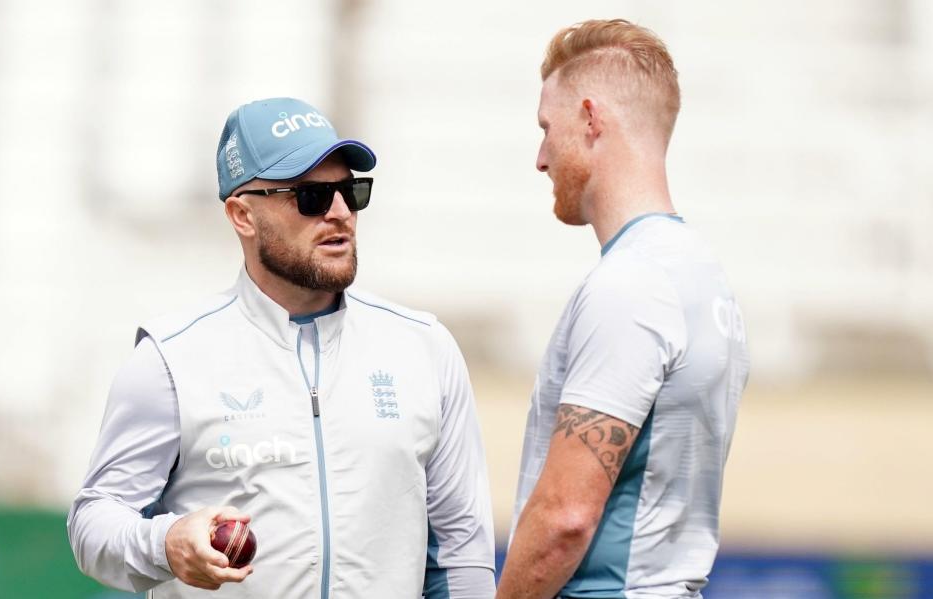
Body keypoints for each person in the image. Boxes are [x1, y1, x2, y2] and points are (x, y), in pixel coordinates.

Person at [67, 97, 495, 599]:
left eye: (350, 191)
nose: (340, 213)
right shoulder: (171, 359)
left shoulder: (425, 348)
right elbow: (93, 523)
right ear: (242, 215)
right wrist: (166, 542)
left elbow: (461, 556)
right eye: (311, 197)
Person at [496, 20, 750, 599]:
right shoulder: (704, 277)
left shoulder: (632, 285)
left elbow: (566, 517)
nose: (540, 158)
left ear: (590, 120)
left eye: (546, 129)